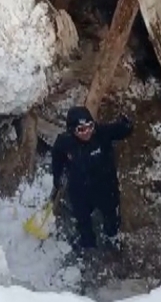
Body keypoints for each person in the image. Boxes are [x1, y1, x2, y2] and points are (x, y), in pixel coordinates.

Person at [49, 106, 133, 250]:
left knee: (111, 218)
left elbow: (122, 130)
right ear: (72, 131)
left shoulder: (101, 134)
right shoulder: (65, 142)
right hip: (80, 190)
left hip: (105, 187)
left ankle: (112, 239)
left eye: (90, 127)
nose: (87, 132)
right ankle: (88, 246)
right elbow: (57, 158)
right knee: (83, 221)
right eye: (81, 129)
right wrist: (58, 178)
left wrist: (126, 124)